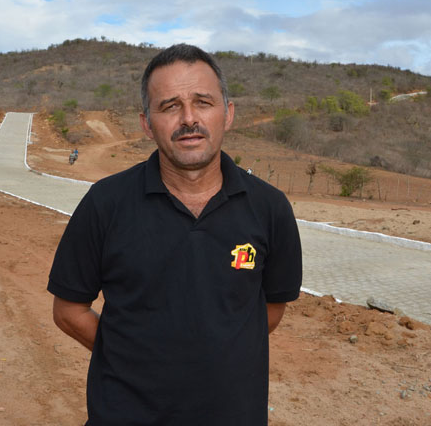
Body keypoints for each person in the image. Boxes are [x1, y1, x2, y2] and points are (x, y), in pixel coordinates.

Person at [48, 44, 303, 425]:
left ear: (227, 114)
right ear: (147, 123)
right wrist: (133, 359)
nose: (188, 119)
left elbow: (270, 309)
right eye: (169, 106)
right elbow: (69, 311)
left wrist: (210, 355)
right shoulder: (106, 203)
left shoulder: (270, 208)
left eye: (203, 102)